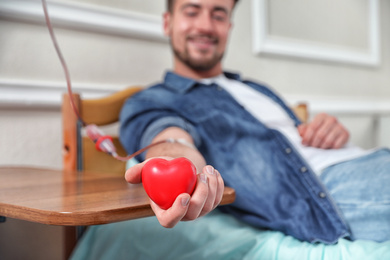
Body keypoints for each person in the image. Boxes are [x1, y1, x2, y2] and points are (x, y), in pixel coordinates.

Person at [119, 0, 390, 244]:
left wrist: (331, 133)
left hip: (370, 159)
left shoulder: (259, 90)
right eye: (192, 12)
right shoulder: (152, 100)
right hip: (327, 190)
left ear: (229, 26)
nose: (205, 25)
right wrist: (179, 168)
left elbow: (294, 142)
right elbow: (170, 140)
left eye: (218, 15)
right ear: (168, 23)